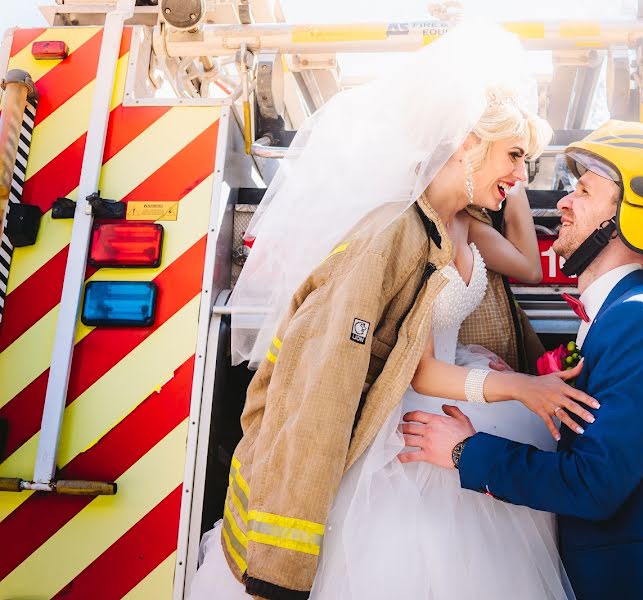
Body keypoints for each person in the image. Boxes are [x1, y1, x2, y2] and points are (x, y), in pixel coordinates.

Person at [189, 23, 592, 600]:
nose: (521, 172)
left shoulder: (462, 223)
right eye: (514, 156)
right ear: (465, 146)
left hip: (450, 406)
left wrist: (509, 178)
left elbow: (522, 267)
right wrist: (523, 389)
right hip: (401, 435)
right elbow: (382, 370)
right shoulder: (394, 234)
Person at [401, 121, 643, 600]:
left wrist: (465, 451)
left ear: (629, 219)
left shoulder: (642, 324)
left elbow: (594, 484)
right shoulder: (620, 318)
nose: (562, 203)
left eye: (583, 191)